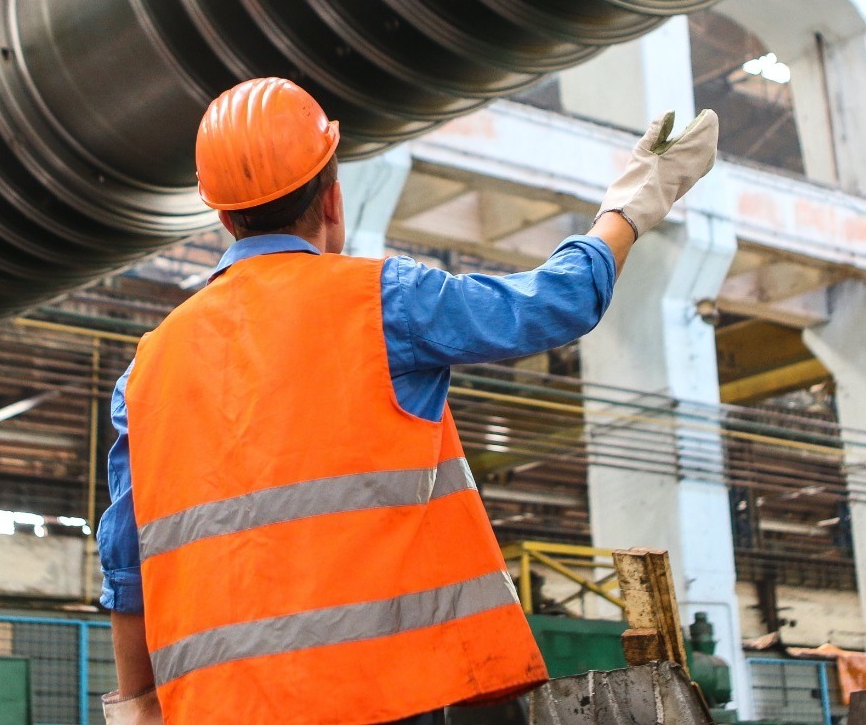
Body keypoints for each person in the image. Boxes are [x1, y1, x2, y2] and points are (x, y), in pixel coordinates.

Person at [98, 77, 718, 725]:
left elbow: (125, 570)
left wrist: (139, 707)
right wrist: (634, 202)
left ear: (222, 216)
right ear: (333, 197)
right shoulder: (383, 301)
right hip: (384, 700)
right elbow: (554, 305)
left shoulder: (146, 370)